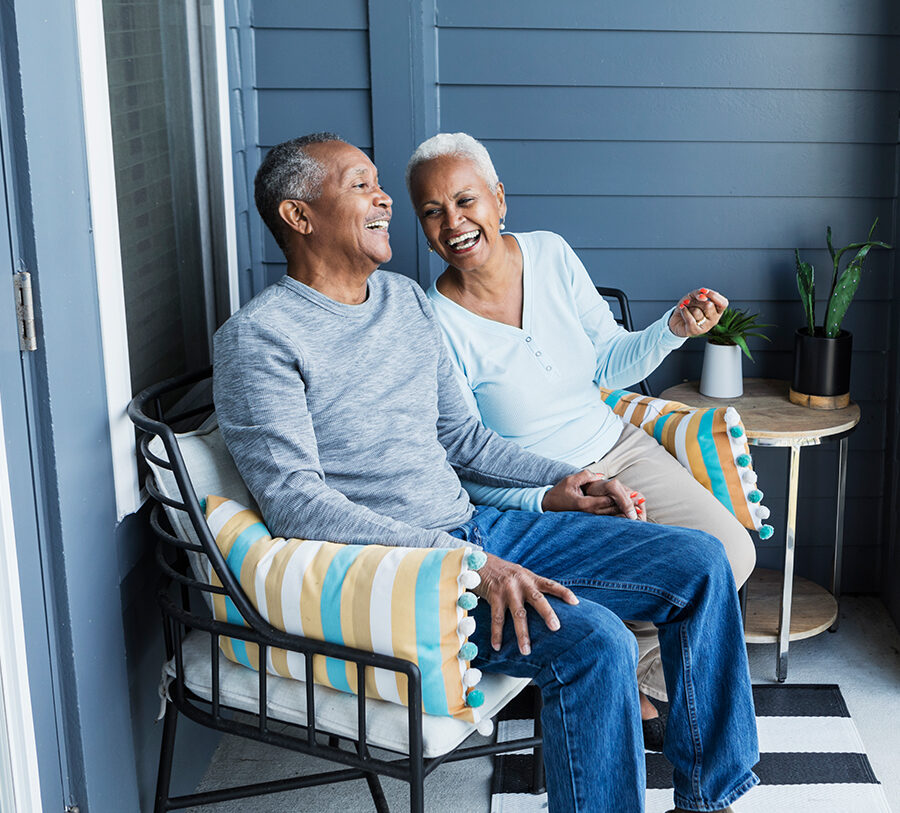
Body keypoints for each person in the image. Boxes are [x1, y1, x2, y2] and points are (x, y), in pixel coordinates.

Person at [213, 132, 759, 813]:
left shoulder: (404, 302)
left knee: (702, 560)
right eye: (360, 184)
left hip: (477, 530)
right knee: (595, 643)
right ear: (299, 216)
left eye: (379, 183)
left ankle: (710, 797)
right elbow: (296, 505)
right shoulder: (260, 338)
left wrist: (567, 479)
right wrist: (466, 561)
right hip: (406, 573)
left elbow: (464, 438)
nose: (385, 197)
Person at [405, 131, 757, 742]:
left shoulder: (551, 254)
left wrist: (672, 329)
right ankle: (613, 678)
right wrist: (550, 495)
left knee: (733, 553)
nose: (454, 223)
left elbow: (607, 365)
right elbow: (462, 462)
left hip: (616, 445)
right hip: (539, 492)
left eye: (466, 201)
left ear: (500, 199)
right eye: (433, 212)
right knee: (651, 584)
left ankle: (638, 677)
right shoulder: (431, 321)